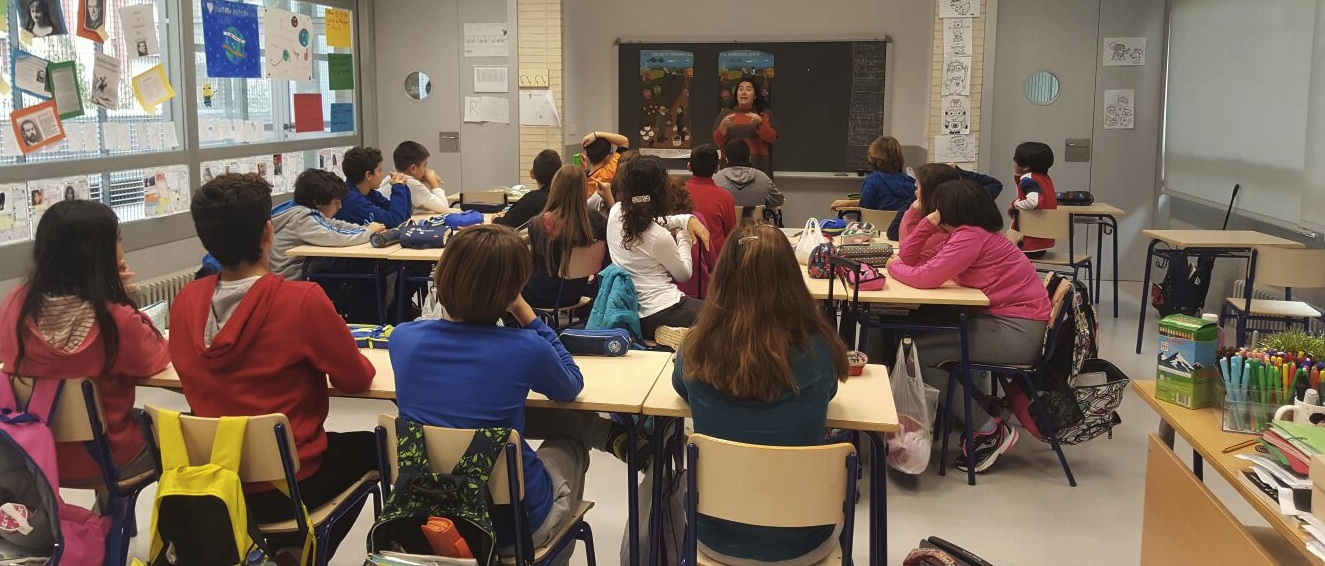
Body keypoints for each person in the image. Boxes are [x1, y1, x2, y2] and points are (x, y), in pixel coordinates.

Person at [390, 224, 635, 559]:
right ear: (513, 290)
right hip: (514, 530)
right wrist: (526, 314)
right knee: (570, 443)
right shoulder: (525, 347)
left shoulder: (403, 339)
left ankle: (607, 437)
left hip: (426, 523)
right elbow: (570, 385)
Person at [170, 173, 377, 563]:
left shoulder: (184, 302)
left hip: (214, 478)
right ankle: (302, 552)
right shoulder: (301, 300)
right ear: (268, 232)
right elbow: (356, 379)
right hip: (290, 482)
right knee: (375, 447)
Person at [673, 221, 849, 565]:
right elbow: (828, 393)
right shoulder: (820, 349)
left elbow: (681, 387)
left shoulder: (696, 348)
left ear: (723, 279)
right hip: (805, 542)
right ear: (791, 280)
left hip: (716, 539)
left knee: (670, 481)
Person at [886, 180, 1051, 473]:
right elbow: (911, 258)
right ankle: (982, 408)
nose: (934, 210)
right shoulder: (971, 234)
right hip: (1006, 323)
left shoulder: (970, 237)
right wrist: (925, 227)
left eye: (938, 207)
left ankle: (988, 428)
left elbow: (922, 276)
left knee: (918, 354)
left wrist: (892, 266)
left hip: (1015, 331)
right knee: (912, 339)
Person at [0, 200, 169, 486]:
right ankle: (114, 513)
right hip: (107, 458)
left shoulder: (14, 306)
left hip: (36, 455)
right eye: (117, 240)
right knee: (176, 434)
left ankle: (105, 514)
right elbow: (156, 356)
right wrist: (119, 296)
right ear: (100, 253)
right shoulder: (113, 320)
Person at [607, 155, 710, 345]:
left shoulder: (615, 212)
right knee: (726, 317)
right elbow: (684, 274)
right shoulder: (658, 236)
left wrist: (685, 219)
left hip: (635, 311)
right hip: (664, 309)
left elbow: (653, 220)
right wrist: (684, 237)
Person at [270, 169, 386, 280]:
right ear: (317, 202)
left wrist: (364, 228)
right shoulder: (302, 219)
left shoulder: (301, 210)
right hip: (293, 280)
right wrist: (369, 232)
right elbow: (336, 236)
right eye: (336, 202)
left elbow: (334, 225)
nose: (340, 207)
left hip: (305, 274)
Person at [524, 165, 607, 309]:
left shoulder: (538, 223)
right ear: (583, 190)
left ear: (555, 188)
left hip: (541, 295)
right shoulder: (596, 220)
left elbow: (535, 263)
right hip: (576, 293)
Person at [853, 136, 916, 240]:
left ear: (874, 158)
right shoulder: (912, 183)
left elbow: (863, 211)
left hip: (874, 236)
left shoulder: (872, 180)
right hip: (901, 235)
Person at [713, 78, 777, 178]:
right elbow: (718, 141)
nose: (744, 92)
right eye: (741, 89)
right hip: (730, 171)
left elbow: (772, 138)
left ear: (755, 95)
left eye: (748, 89)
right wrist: (723, 127)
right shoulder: (726, 113)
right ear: (736, 94)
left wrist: (760, 123)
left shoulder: (764, 113)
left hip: (758, 169)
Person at [897, 163, 963, 262]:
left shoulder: (945, 228)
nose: (916, 192)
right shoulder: (948, 217)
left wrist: (912, 213)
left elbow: (906, 255)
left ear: (929, 192)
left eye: (918, 187)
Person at [336, 146, 412, 227]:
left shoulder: (370, 193)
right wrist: (398, 187)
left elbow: (404, 217)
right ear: (368, 175)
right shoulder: (352, 200)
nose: (382, 175)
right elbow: (394, 221)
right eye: (379, 171)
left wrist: (403, 185)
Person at [683, 143, 737, 254]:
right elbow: (731, 234)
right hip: (716, 260)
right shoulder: (725, 197)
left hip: (684, 256)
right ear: (717, 169)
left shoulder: (678, 192)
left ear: (689, 166)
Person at [1008, 141, 1059, 256]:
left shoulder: (1028, 179)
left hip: (1027, 244)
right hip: (1043, 244)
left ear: (1025, 167)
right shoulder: (1044, 178)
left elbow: (1034, 202)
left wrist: (1016, 203)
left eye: (1015, 160)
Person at [496, 149, 561, 230]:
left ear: (532, 174)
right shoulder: (567, 198)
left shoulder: (532, 200)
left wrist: (495, 219)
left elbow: (504, 225)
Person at [712, 139, 783, 213]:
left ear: (727, 159)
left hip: (726, 220)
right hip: (755, 220)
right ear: (749, 157)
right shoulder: (763, 179)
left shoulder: (716, 180)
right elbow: (779, 200)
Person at [383, 141, 448, 214]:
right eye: (424, 165)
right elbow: (443, 208)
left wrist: (424, 180)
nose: (426, 170)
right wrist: (433, 183)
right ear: (413, 168)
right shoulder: (412, 184)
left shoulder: (389, 178)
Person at [582, 130, 629, 196]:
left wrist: (583, 171)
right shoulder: (610, 171)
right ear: (607, 157)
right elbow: (624, 142)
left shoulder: (581, 182)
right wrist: (596, 134)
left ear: (586, 155)